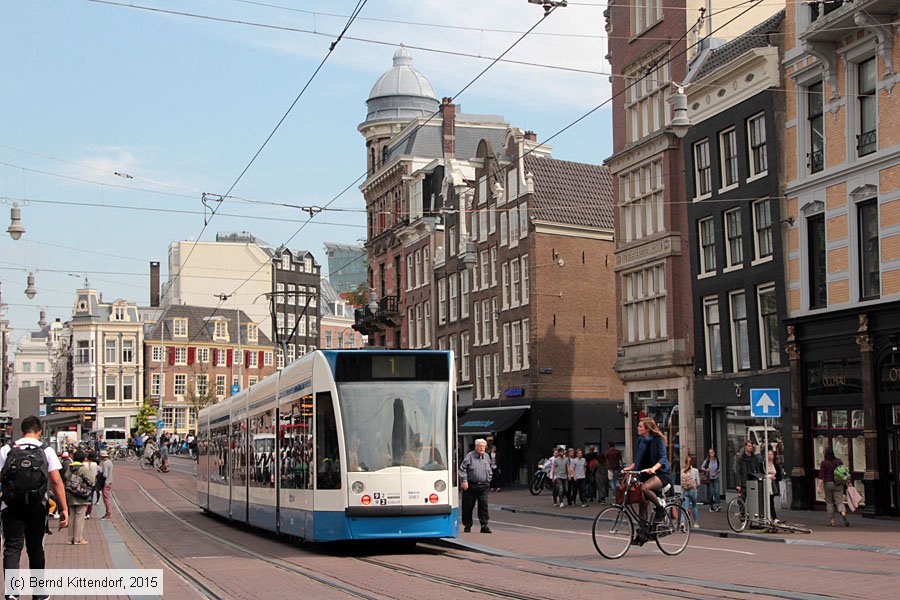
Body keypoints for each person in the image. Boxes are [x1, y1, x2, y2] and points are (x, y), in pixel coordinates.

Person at [0, 415, 69, 600]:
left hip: (10, 505)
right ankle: (38, 592)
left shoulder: (6, 449)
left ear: (21, 431)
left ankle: (12, 593)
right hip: (37, 506)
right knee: (35, 547)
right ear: (39, 432)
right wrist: (64, 509)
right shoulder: (46, 450)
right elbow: (56, 480)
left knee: (12, 547)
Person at [623, 417, 670, 523]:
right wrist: (631, 467)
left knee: (645, 488)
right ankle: (643, 532)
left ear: (647, 428)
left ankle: (660, 509)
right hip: (645, 475)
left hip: (660, 474)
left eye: (640, 426)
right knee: (642, 504)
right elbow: (640, 459)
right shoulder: (640, 441)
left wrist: (653, 468)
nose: (637, 428)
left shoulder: (658, 440)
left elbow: (663, 458)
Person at [458, 438, 493, 533]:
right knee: (468, 507)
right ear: (476, 447)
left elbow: (489, 468)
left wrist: (489, 479)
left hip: (483, 486)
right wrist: (464, 481)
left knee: (483, 506)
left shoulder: (486, 456)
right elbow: (462, 469)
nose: (482, 448)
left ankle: (484, 525)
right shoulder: (470, 456)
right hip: (471, 486)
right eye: (480, 446)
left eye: (483, 446)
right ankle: (467, 525)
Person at [64, 450, 96, 545]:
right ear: (83, 459)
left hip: (70, 494)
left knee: (72, 516)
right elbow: (91, 480)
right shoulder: (82, 469)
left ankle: (70, 538)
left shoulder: (69, 468)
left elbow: (65, 477)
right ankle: (78, 539)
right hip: (81, 495)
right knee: (80, 517)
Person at [818, 446, 849, 527]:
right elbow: (844, 472)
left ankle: (832, 521)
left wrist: (819, 486)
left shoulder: (824, 463)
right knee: (839, 501)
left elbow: (821, 475)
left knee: (829, 502)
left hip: (828, 483)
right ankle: (843, 513)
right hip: (838, 483)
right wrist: (848, 482)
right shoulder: (838, 461)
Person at [681, 456, 700, 528]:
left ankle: (682, 522)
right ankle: (695, 523)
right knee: (694, 506)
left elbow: (681, 483)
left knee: (684, 508)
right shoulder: (695, 470)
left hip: (685, 491)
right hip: (693, 490)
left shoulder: (682, 471)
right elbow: (698, 482)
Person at [701, 448, 721, 512]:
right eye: (710, 452)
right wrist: (706, 470)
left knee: (717, 492)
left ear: (714, 453)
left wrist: (716, 473)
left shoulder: (716, 460)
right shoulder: (707, 461)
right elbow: (702, 467)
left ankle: (718, 505)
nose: (711, 454)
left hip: (716, 477)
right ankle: (711, 506)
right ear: (709, 454)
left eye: (712, 452)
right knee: (711, 493)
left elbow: (719, 469)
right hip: (709, 479)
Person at [765, 449, 781, 522]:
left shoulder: (776, 465)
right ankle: (769, 517)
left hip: (773, 485)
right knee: (767, 501)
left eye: (771, 454)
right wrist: (768, 477)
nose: (770, 456)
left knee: (771, 501)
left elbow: (779, 476)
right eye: (768, 454)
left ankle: (774, 517)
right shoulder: (763, 464)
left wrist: (775, 477)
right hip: (766, 484)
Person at [99, 450, 114, 519]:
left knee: (106, 498)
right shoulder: (110, 462)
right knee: (107, 497)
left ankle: (108, 513)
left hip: (106, 482)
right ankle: (108, 512)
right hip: (110, 481)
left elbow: (105, 474)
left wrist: (100, 473)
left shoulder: (105, 463)